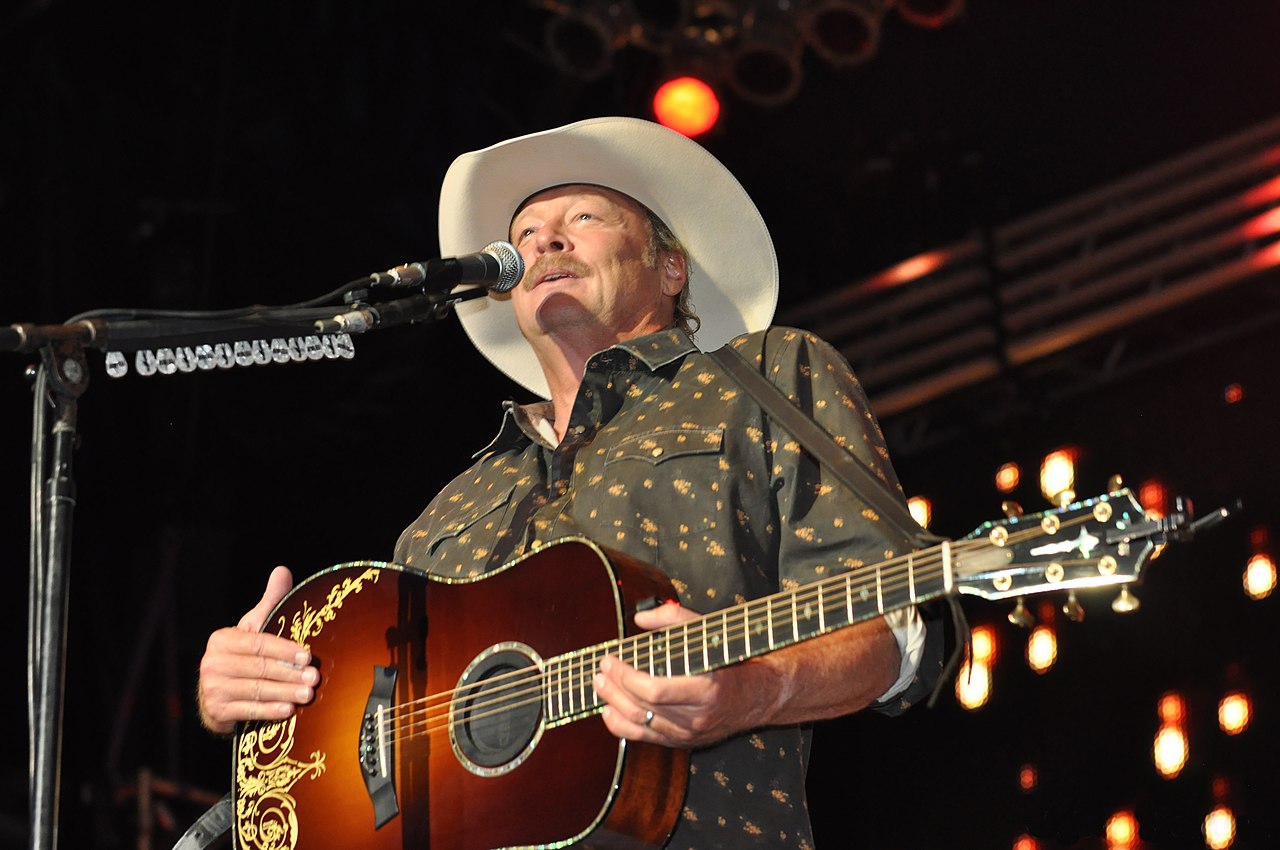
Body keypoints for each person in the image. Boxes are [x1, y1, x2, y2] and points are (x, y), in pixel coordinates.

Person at [198, 117, 942, 848]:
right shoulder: (446, 512)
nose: (545, 241)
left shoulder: (769, 376)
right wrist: (257, 693)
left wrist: (754, 689)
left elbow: (896, 629)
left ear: (671, 268)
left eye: (584, 217)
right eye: (524, 233)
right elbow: (358, 755)